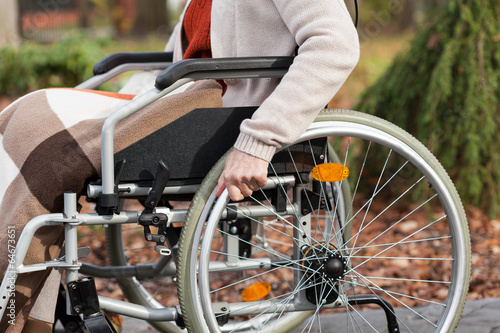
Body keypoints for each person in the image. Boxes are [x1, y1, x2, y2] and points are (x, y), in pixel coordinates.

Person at [0, 0, 359, 331]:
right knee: (26, 117)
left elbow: (335, 46)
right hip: (182, 100)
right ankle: (27, 307)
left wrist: (259, 141)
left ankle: (13, 314)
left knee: (50, 152)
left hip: (217, 113)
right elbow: (183, 57)